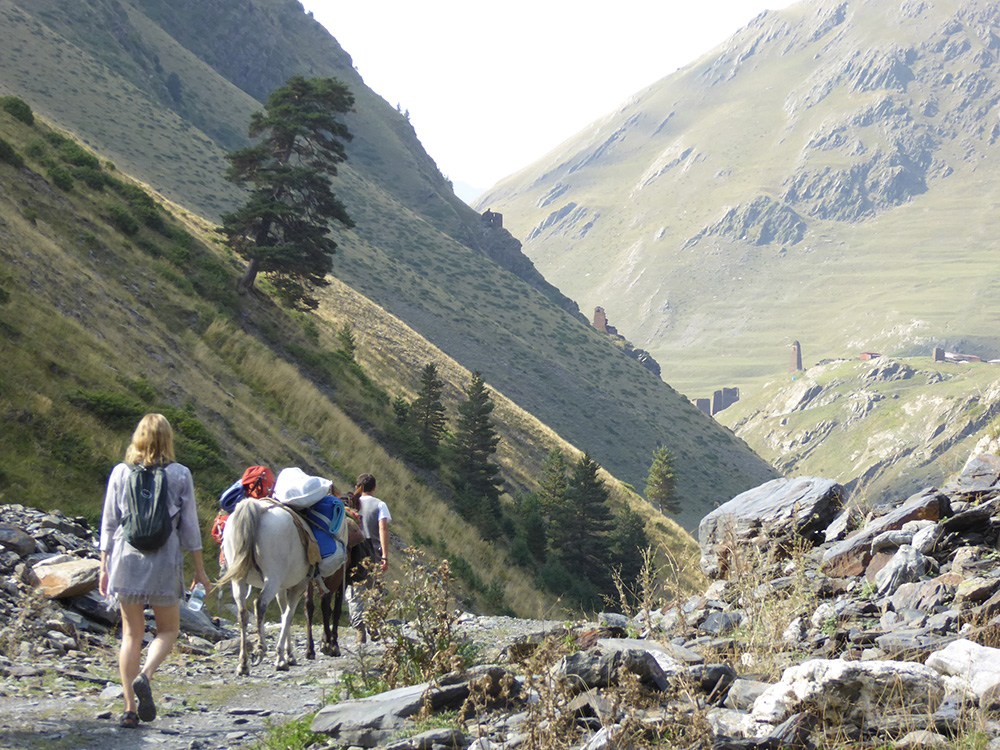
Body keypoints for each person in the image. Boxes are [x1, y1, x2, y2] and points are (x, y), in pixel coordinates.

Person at [98, 413, 211, 729]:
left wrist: (104, 565)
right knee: (168, 629)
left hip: (125, 557)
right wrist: (200, 571)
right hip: (163, 558)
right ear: (167, 441)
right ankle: (145, 676)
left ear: (137, 438)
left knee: (131, 634)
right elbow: (189, 527)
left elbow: (109, 522)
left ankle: (130, 710)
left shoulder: (120, 472)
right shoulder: (179, 474)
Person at [345, 473, 391, 642]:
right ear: (374, 488)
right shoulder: (380, 504)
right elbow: (383, 530)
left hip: (355, 549)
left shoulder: (350, 504)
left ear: (357, 487)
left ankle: (359, 629)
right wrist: (385, 556)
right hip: (373, 550)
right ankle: (373, 624)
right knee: (375, 589)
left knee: (354, 589)